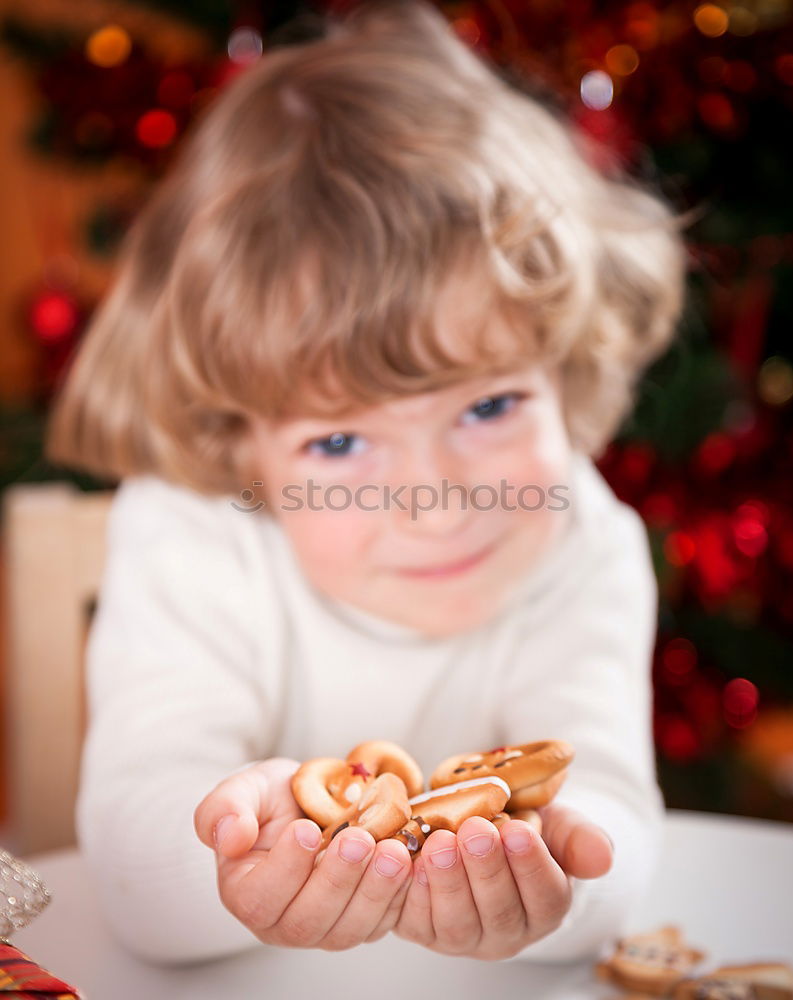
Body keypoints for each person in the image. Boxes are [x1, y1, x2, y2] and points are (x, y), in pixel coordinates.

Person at [45, 0, 689, 969]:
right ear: (239, 440)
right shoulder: (193, 536)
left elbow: (608, 811)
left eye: (485, 408)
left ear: (567, 363)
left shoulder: (580, 545)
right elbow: (133, 874)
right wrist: (236, 857)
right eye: (340, 443)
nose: (431, 501)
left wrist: (558, 872)